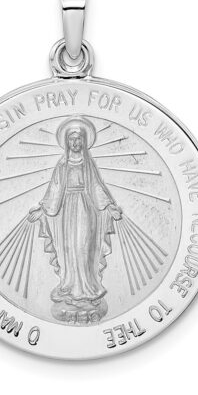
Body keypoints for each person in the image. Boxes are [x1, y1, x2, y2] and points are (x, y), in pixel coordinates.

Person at [28, 116, 122, 319]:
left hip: (86, 208)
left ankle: (87, 287)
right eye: (72, 139)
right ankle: (71, 286)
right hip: (67, 211)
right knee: (70, 248)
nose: (76, 142)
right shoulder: (62, 164)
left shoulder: (88, 164)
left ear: (84, 141)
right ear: (66, 142)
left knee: (84, 247)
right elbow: (54, 189)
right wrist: (42, 209)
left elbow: (96, 186)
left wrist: (109, 206)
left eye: (79, 138)